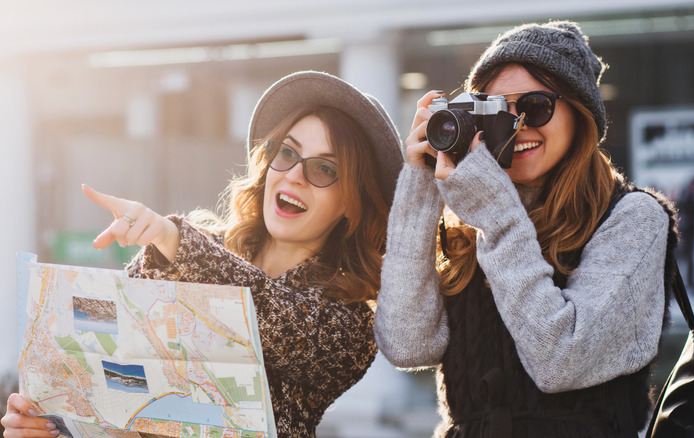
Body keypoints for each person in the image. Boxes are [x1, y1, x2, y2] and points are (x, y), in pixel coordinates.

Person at [3, 71, 404, 438]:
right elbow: (117, 386)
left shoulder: (349, 320)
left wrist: (174, 238)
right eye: (287, 153)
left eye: (324, 170)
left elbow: (267, 315)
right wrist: (51, 427)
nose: (295, 174)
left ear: (352, 203)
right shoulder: (186, 250)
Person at [374, 21, 679, 437]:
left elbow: (561, 362)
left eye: (535, 107)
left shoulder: (634, 218)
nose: (517, 125)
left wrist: (497, 216)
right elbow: (408, 346)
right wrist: (421, 186)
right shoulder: (471, 223)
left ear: (580, 114)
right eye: (499, 109)